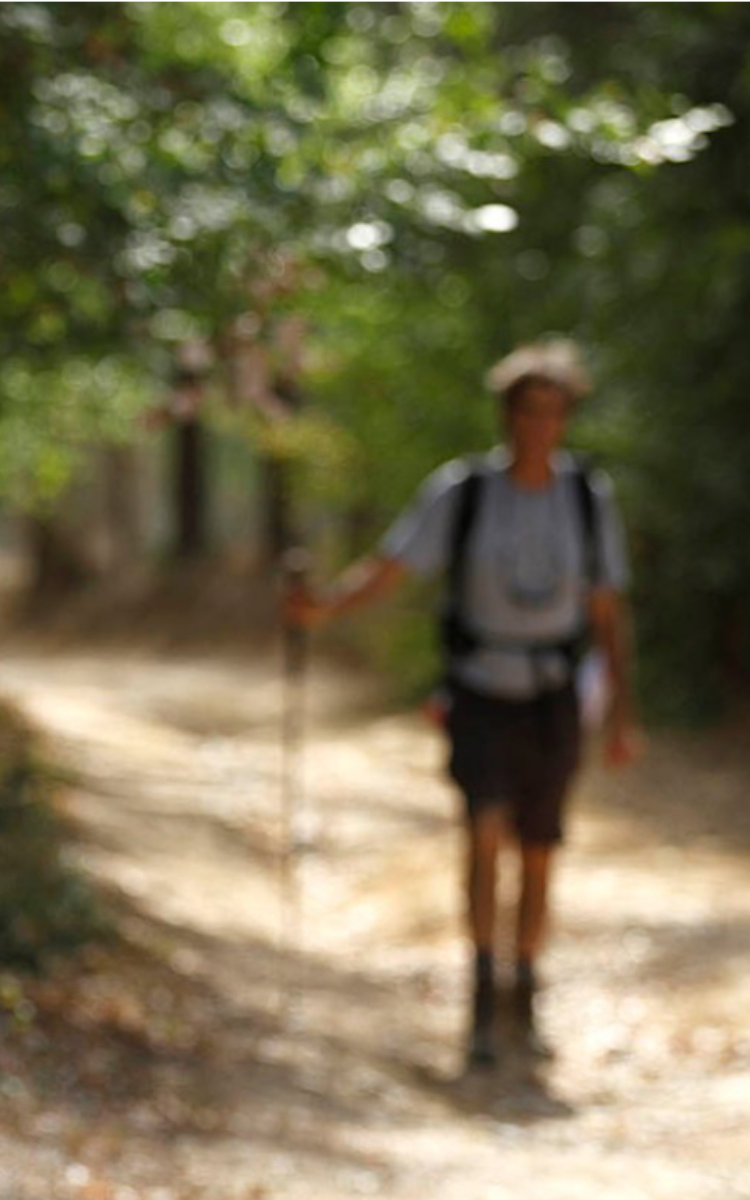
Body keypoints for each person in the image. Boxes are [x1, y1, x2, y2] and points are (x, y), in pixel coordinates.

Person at [285, 339, 640, 1067]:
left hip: (553, 696)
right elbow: (392, 569)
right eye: (525, 410)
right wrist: (323, 610)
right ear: (506, 414)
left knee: (539, 851)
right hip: (479, 689)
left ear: (565, 418)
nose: (537, 425)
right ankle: (481, 996)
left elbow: (606, 610)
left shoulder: (585, 498)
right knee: (482, 831)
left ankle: (526, 991)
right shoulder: (464, 490)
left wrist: (623, 714)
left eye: (551, 411)